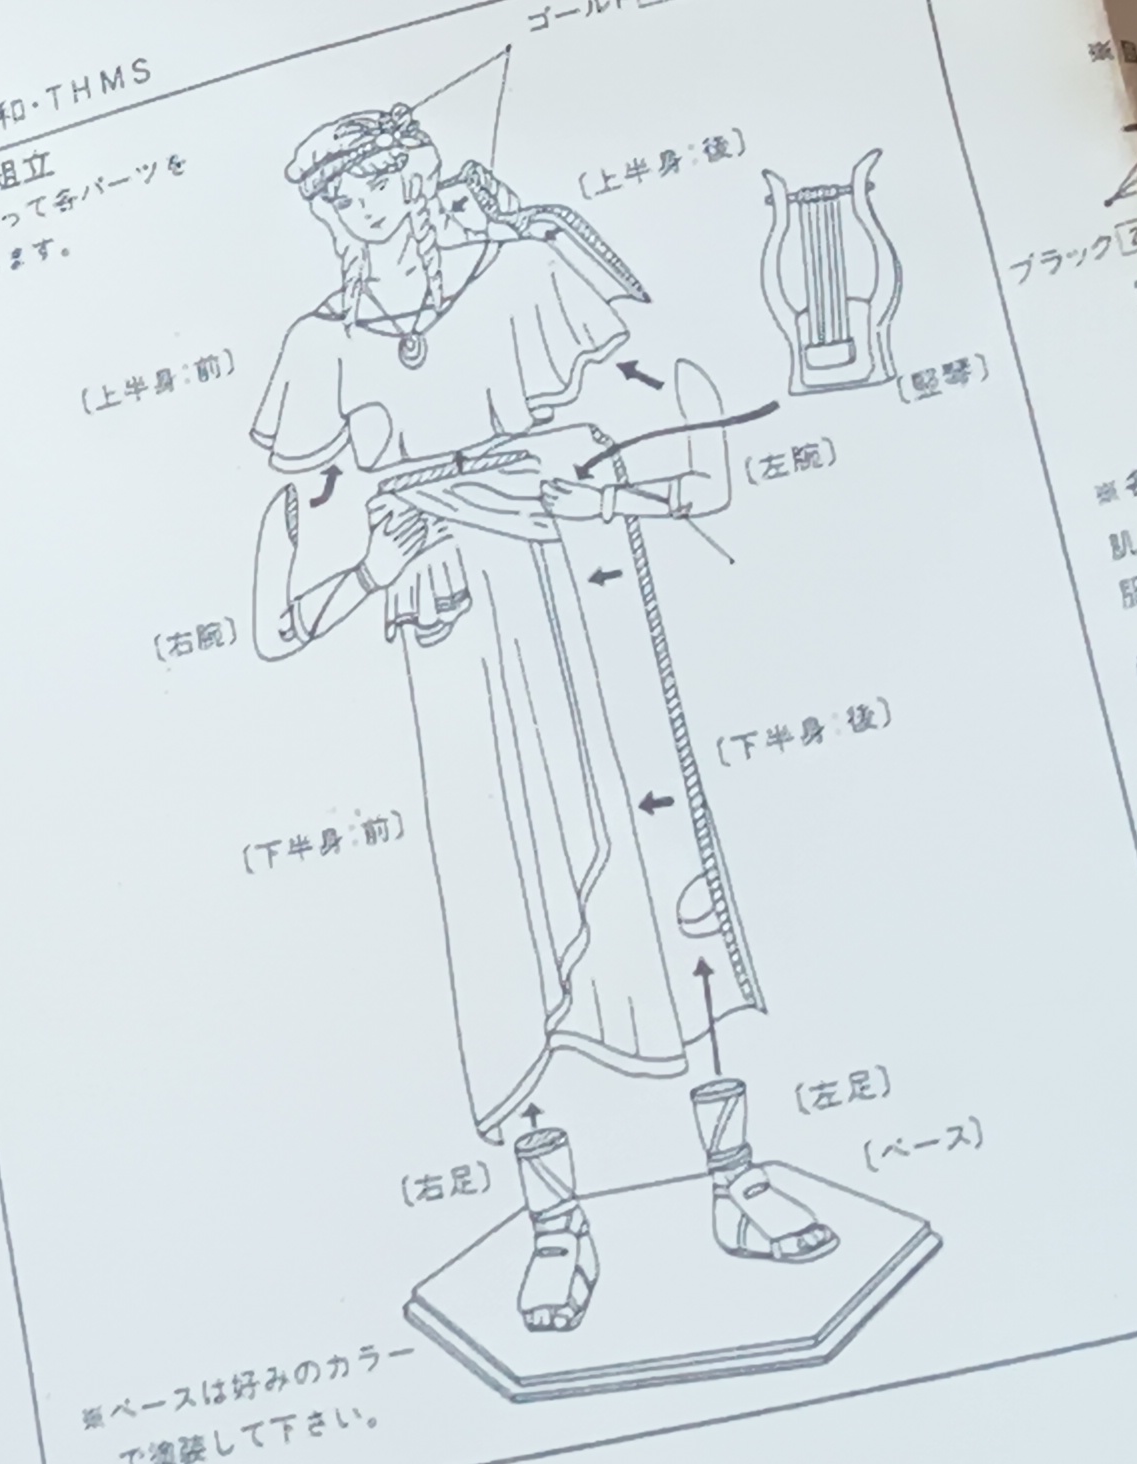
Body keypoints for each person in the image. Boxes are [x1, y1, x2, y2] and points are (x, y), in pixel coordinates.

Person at [247, 107, 834, 1337]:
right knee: (498, 911)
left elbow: (663, 408)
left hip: (581, 585)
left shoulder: (522, 272)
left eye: (376, 175)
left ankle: (734, 1176)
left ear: (415, 172)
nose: (361, 202)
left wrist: (565, 473)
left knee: (653, 872)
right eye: (336, 191)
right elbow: (295, 546)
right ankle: (554, 1221)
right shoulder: (321, 343)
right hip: (455, 632)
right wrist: (380, 551)